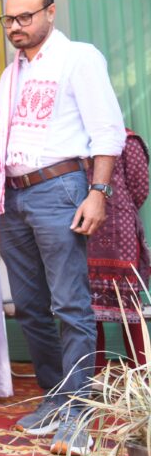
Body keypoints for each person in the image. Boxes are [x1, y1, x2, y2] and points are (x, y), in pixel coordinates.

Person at [0, 0, 126, 456]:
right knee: (29, 305)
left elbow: (106, 129)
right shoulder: (10, 74)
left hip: (61, 188)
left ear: (50, 12)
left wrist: (98, 192)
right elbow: (1, 144)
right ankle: (56, 398)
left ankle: (80, 414)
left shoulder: (78, 57)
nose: (16, 27)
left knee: (69, 305)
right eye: (10, 20)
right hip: (14, 197)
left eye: (25, 17)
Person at [88, 129, 149, 370]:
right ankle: (92, 377)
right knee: (85, 310)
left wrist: (116, 207)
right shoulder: (73, 138)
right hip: (85, 231)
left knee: (129, 308)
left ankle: (142, 377)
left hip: (117, 235)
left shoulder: (127, 140)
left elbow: (139, 188)